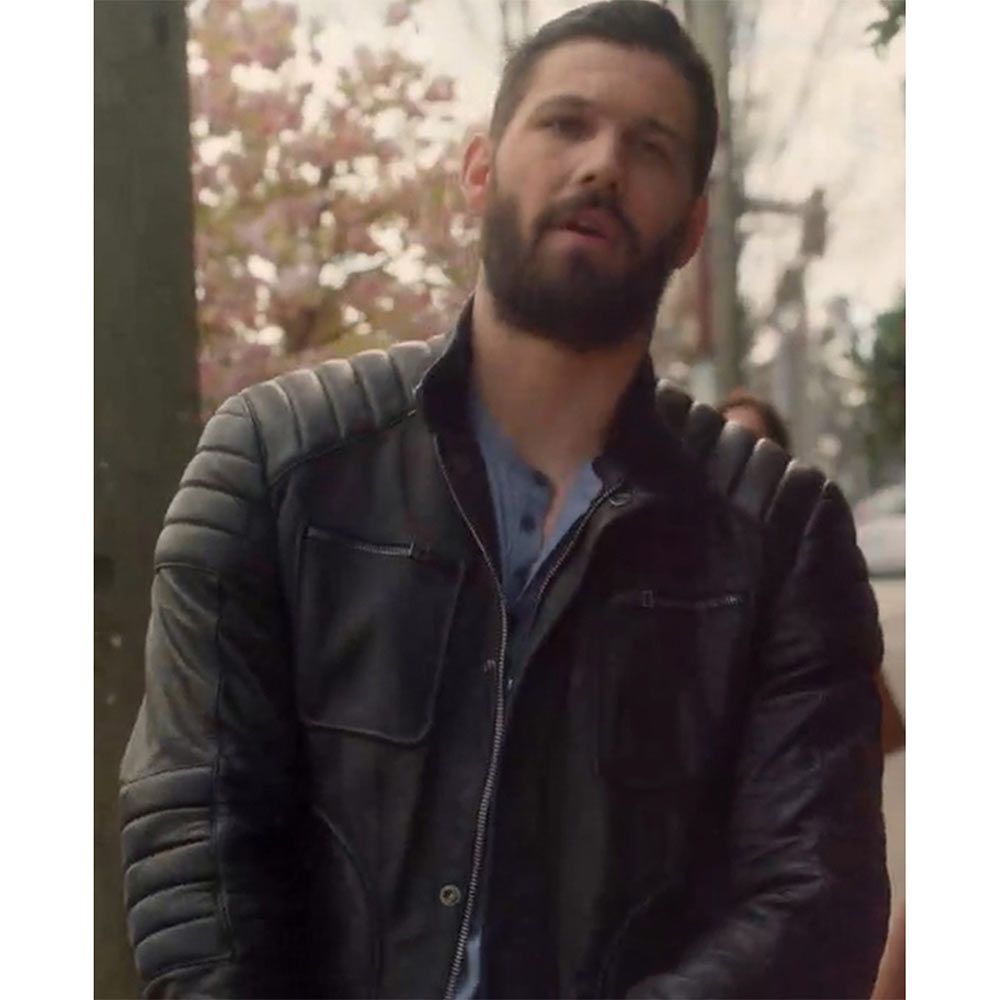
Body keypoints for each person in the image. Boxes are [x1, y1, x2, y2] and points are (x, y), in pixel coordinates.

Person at [119, 3, 889, 997]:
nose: (603, 165)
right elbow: (196, 846)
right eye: (567, 123)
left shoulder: (779, 533)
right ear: (479, 169)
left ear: (693, 228)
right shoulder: (273, 466)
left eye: (650, 147)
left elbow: (814, 900)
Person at [719, 388, 905, 755]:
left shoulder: (814, 571)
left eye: (751, 446)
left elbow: (884, 728)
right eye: (723, 449)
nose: (736, 463)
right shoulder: (675, 583)